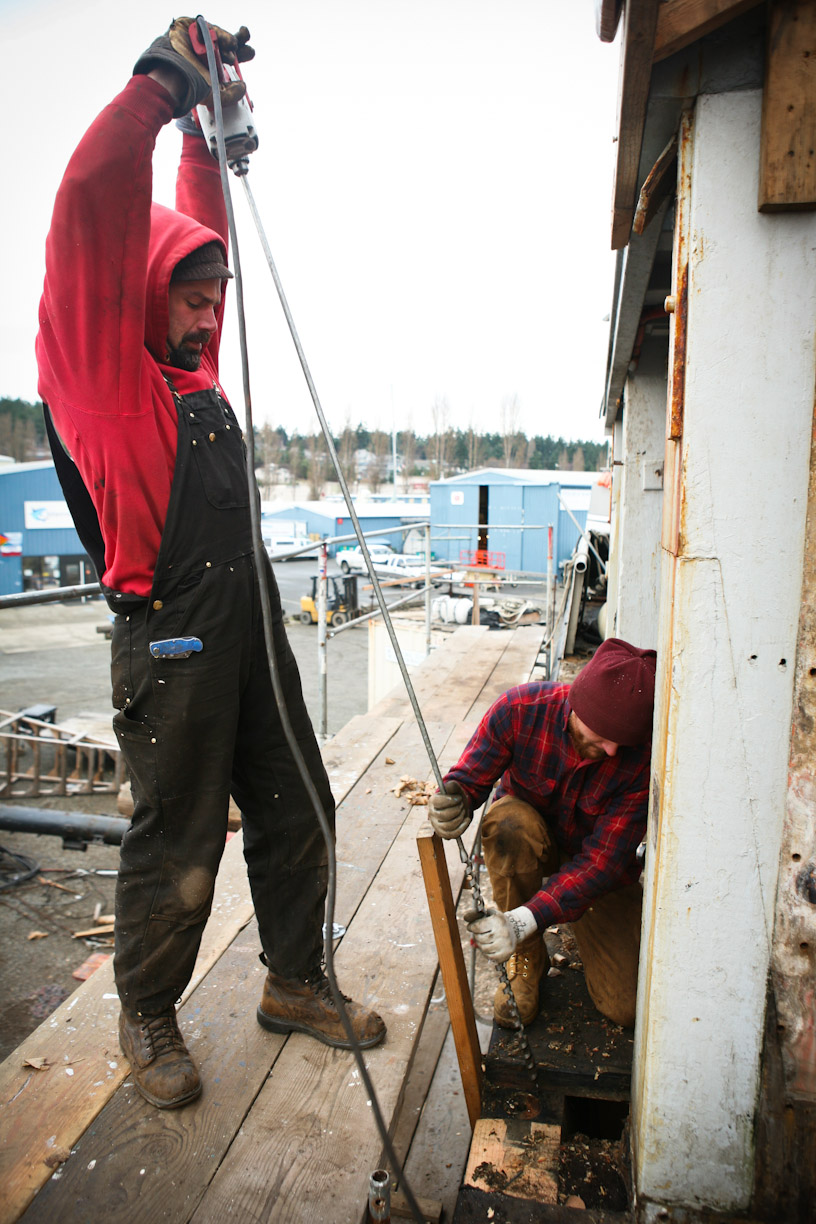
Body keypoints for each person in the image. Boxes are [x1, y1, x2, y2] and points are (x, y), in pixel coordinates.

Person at [36, 18, 385, 1111]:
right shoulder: (104, 378)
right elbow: (93, 203)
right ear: (140, 297)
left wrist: (204, 126)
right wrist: (156, 88)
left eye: (213, 297)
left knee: (300, 809)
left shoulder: (193, 372)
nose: (207, 316)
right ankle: (148, 1019)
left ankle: (294, 979)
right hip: (171, 643)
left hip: (251, 625)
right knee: (179, 847)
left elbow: (198, 228)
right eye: (190, 297)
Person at [429, 638, 655, 1029]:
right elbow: (469, 779)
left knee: (626, 1008)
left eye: (624, 741)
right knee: (509, 824)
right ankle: (527, 959)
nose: (614, 750)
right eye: (603, 734)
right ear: (578, 705)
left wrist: (523, 918)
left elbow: (602, 864)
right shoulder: (518, 711)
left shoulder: (640, 760)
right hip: (530, 843)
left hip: (593, 871)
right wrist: (455, 800)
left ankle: (525, 924)